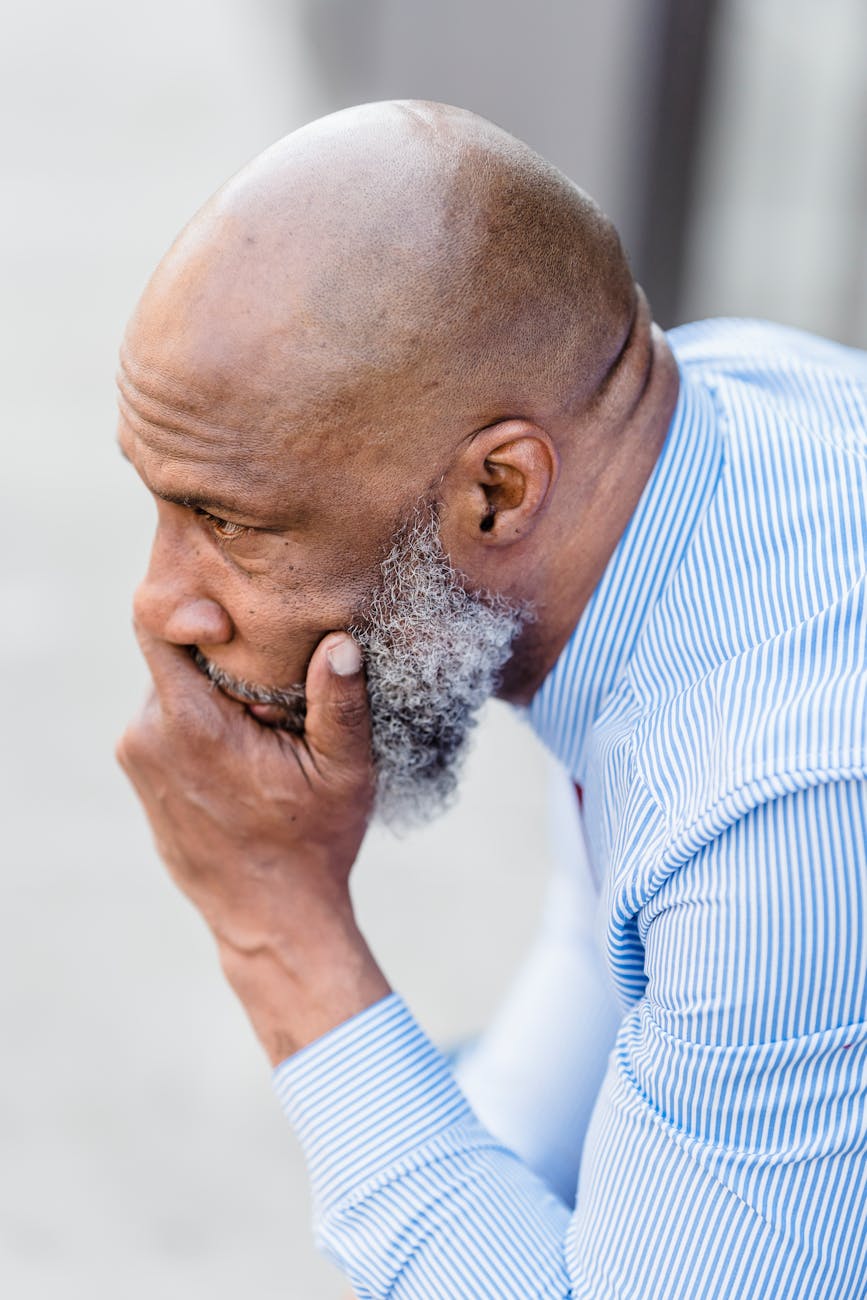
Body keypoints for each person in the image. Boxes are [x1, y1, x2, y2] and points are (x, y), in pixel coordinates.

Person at [116, 101, 867, 1298]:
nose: (163, 606)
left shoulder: (781, 811)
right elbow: (593, 983)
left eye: (231, 523)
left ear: (499, 492)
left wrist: (280, 931)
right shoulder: (704, 431)